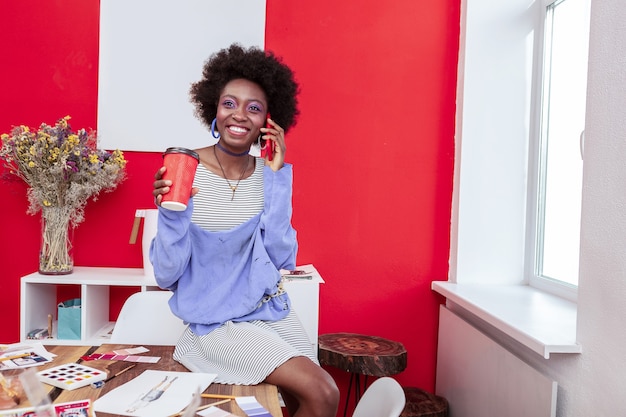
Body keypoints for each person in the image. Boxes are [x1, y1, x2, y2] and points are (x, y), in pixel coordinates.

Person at [150, 43, 339, 417]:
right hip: (218, 324)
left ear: (269, 121)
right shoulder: (185, 169)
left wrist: (278, 179)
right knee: (323, 392)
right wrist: (171, 214)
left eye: (254, 108)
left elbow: (282, 257)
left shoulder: (268, 176)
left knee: (313, 397)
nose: (239, 115)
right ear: (213, 109)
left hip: (271, 310)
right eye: (229, 103)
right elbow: (166, 274)